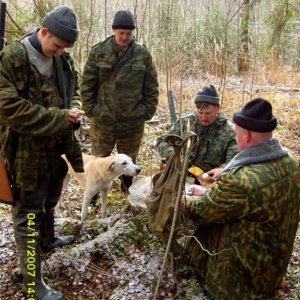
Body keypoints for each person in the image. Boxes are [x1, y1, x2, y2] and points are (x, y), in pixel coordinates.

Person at [0, 5, 84, 300]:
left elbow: (75, 87)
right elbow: (8, 108)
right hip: (25, 155)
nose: (60, 52)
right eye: (57, 45)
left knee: (51, 199)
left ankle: (47, 241)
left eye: (65, 48)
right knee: (29, 214)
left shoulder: (62, 58)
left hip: (56, 149)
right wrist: (60, 117)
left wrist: (74, 108)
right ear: (44, 32)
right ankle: (33, 285)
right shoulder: (13, 58)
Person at [181, 98, 300, 299]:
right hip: (272, 267)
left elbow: (204, 212)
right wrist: (209, 193)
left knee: (196, 237)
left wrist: (182, 199)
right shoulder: (288, 161)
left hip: (243, 284)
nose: (235, 137)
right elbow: (249, 201)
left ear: (246, 134)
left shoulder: (241, 179)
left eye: (236, 133)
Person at [81, 10, 159, 192]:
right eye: (121, 33)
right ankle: (93, 194)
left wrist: (147, 111)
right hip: (103, 119)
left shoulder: (142, 54)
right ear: (114, 31)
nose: (125, 37)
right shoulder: (99, 52)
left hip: (132, 120)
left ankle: (127, 192)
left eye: (128, 34)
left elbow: (152, 85)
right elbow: (87, 83)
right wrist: (91, 109)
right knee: (99, 159)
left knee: (129, 159)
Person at [157, 84, 238, 181]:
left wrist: (222, 170)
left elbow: (234, 161)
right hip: (180, 177)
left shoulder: (229, 131)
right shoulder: (186, 123)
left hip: (211, 182)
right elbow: (162, 141)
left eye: (208, 113)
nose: (203, 118)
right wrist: (174, 156)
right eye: (200, 112)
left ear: (218, 109)